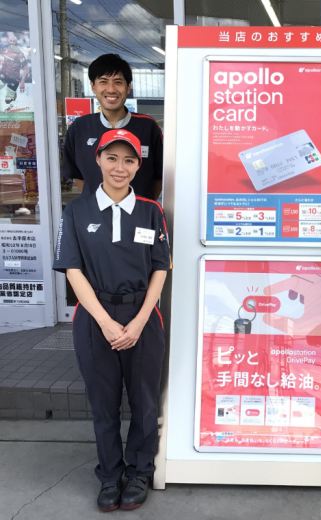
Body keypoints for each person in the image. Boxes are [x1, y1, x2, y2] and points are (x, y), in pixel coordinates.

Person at [53, 129, 170, 511]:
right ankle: (109, 474)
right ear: (98, 160)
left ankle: (139, 472)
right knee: (103, 404)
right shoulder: (77, 211)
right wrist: (105, 322)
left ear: (138, 165)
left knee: (144, 402)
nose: (120, 167)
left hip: (142, 315)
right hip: (94, 316)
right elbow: (72, 270)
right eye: (113, 158)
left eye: (129, 160)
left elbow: (160, 268)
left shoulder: (151, 211)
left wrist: (138, 322)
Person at [62, 53, 163, 200]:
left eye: (118, 82)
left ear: (128, 87)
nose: (111, 89)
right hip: (94, 213)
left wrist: (144, 207)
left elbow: (159, 176)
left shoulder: (148, 127)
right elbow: (78, 176)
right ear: (93, 86)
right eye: (103, 81)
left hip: (139, 213)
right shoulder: (79, 128)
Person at [0, 33, 29, 111]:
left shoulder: (20, 54)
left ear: (16, 42)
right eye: (11, 41)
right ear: (8, 42)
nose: (12, 42)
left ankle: (12, 94)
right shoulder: (4, 49)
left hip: (14, 78)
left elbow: (26, 68)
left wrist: (22, 82)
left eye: (14, 41)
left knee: (7, 101)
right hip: (3, 75)